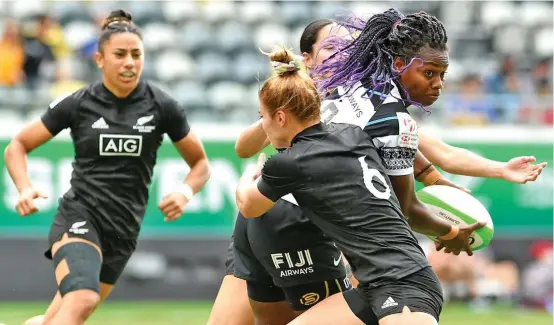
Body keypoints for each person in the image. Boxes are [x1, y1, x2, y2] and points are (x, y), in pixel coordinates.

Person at [208, 16, 547, 325]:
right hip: (287, 221)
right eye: (331, 47)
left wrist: (475, 174)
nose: (439, 84)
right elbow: (408, 201)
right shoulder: (348, 105)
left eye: (345, 47)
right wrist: (447, 229)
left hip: (293, 224)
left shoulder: (366, 104)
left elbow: (428, 153)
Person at [236, 45, 483, 325]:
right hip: (372, 287)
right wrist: (446, 224)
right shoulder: (352, 134)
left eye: (263, 118)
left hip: (403, 283)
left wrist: (247, 178)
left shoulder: (290, 162)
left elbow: (249, 205)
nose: (264, 129)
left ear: (280, 117)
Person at [4, 9, 211, 325]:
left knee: (59, 317)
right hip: (79, 217)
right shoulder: (78, 102)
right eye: (120, 54)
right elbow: (17, 146)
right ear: (100, 59)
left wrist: (184, 192)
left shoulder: (163, 106)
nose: (129, 62)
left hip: (124, 231)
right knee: (82, 298)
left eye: (136, 54)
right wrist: (25, 187)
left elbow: (200, 163)